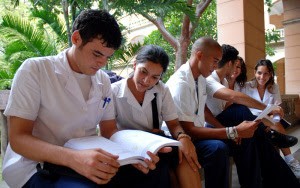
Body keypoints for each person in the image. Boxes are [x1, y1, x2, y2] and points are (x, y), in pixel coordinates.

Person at [2, 9, 169, 188]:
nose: (102, 63)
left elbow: (109, 131)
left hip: (88, 159)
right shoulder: (36, 70)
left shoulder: (103, 80)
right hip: (38, 165)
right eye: (97, 54)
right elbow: (19, 139)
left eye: (107, 57)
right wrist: (74, 159)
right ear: (76, 39)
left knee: (153, 171)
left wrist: (136, 152)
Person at [166, 37, 260, 188]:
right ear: (199, 55)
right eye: (215, 61)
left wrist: (229, 131)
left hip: (196, 135)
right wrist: (232, 131)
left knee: (243, 141)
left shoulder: (201, 78)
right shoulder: (181, 83)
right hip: (180, 140)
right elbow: (189, 130)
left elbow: (203, 110)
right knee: (217, 148)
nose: (216, 66)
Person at [203, 44, 300, 187]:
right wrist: (269, 108)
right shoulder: (209, 79)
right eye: (235, 65)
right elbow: (235, 98)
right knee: (241, 110)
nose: (236, 69)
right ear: (230, 63)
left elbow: (227, 105)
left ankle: (284, 181)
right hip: (215, 126)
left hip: (227, 123)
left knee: (254, 141)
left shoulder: (223, 81)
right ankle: (269, 135)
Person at [111, 45, 202, 188]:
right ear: (135, 65)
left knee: (183, 152)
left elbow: (173, 124)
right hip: (127, 149)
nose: (147, 81)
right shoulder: (113, 92)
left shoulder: (162, 90)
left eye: (155, 77)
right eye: (143, 72)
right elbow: (109, 132)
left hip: (156, 144)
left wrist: (182, 137)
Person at [242, 59, 300, 179]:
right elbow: (243, 108)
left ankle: (282, 165)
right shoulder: (247, 86)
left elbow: (277, 110)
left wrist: (274, 120)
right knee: (277, 129)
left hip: (270, 121)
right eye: (259, 73)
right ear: (254, 72)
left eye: (266, 73)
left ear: (271, 74)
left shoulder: (274, 87)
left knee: (276, 125)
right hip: (251, 120)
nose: (262, 77)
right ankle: (290, 160)